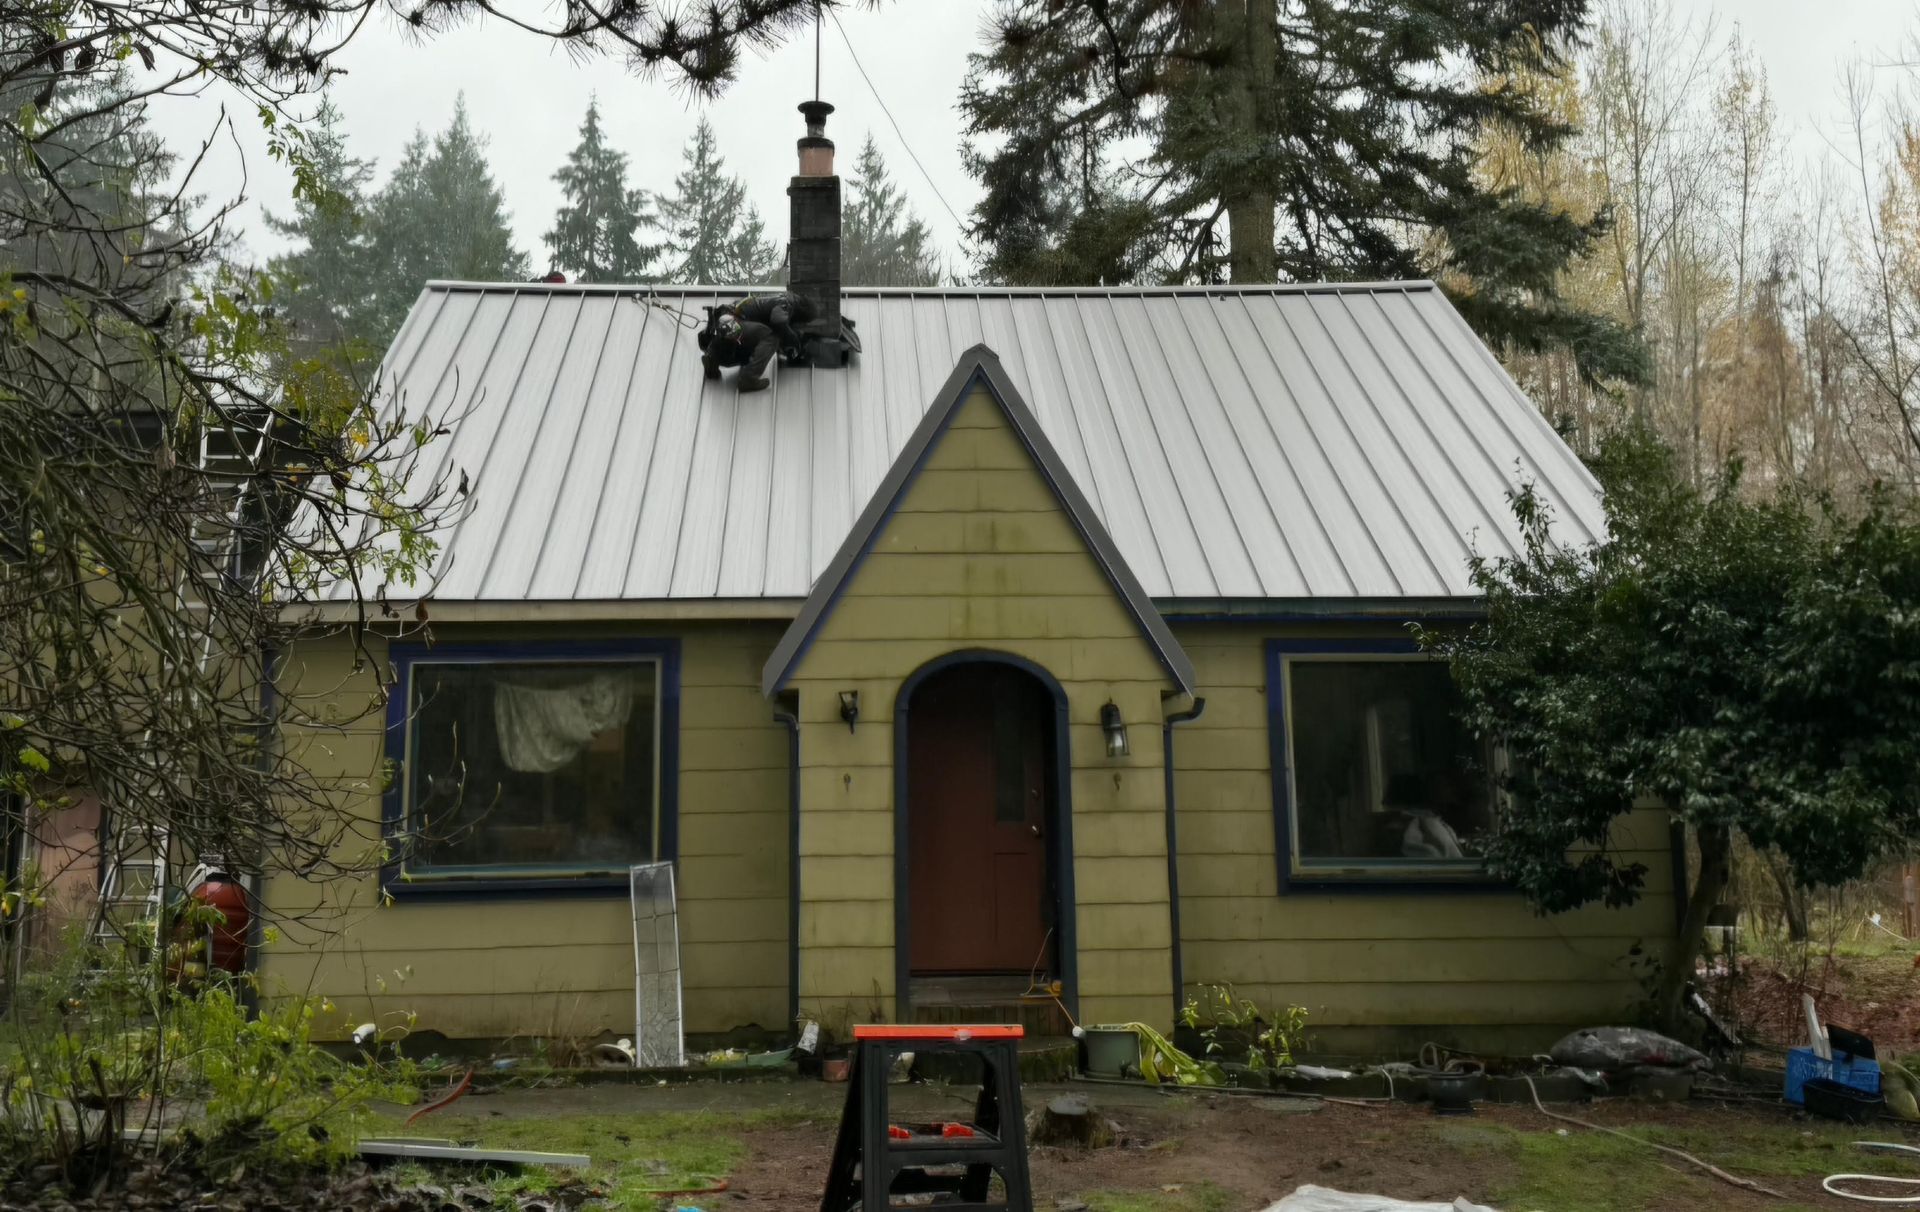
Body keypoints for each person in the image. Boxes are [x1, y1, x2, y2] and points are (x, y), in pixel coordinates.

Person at [698, 311, 777, 393]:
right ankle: (749, 379)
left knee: (727, 339)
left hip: (728, 353)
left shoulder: (721, 329)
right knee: (771, 338)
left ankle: (711, 360)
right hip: (742, 348)